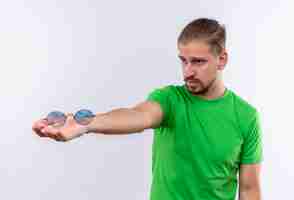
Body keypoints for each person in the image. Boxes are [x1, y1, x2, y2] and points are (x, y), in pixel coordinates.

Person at [32, 18, 263, 200]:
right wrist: (87, 124)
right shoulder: (171, 99)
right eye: (183, 60)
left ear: (222, 60)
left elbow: (249, 190)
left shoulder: (246, 116)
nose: (187, 71)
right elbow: (138, 116)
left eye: (198, 61)